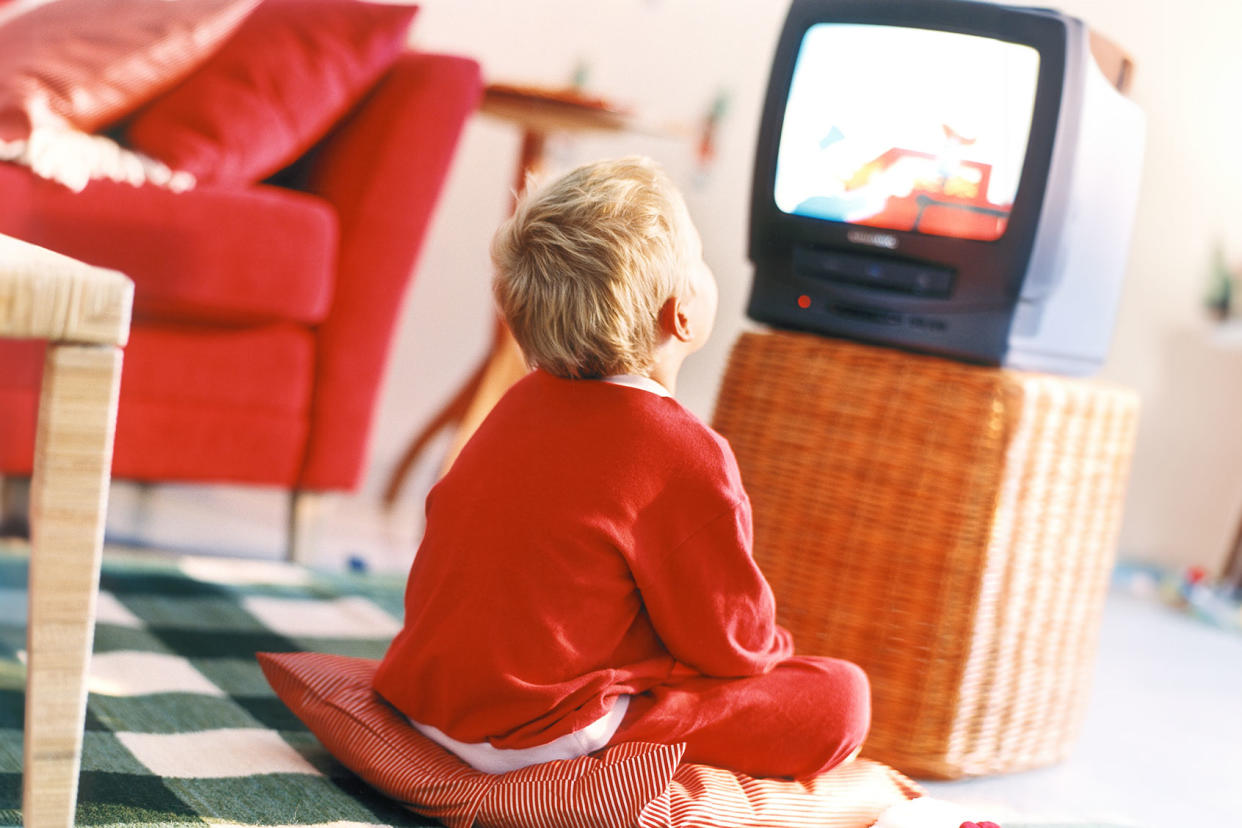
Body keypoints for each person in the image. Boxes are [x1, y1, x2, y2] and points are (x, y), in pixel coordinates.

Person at [373, 156, 869, 779]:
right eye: (699, 258)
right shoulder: (685, 453)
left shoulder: (516, 403)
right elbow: (731, 646)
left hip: (426, 702)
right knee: (839, 696)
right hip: (538, 735)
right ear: (682, 312)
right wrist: (778, 651)